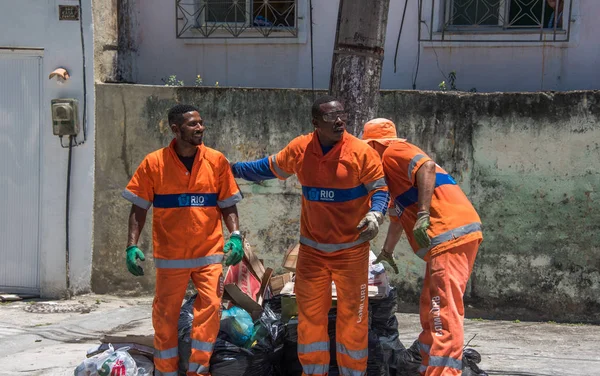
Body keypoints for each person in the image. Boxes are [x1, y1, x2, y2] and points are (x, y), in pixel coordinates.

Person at [230, 96, 389, 376]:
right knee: (310, 320)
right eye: (331, 117)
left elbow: (380, 190)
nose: (339, 121)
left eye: (342, 115)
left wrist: (376, 214)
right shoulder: (301, 149)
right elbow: (268, 168)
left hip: (351, 253)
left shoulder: (361, 152)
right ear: (316, 123)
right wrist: (231, 169)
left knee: (354, 320)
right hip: (313, 255)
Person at [122, 104, 244, 376]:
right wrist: (132, 245)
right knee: (165, 315)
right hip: (171, 256)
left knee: (210, 309)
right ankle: (166, 371)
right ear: (175, 129)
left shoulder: (216, 161)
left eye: (201, 123)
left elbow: (227, 203)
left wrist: (235, 235)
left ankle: (198, 371)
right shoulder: (154, 163)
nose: (200, 128)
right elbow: (138, 207)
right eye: (192, 124)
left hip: (209, 254)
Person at [361, 118, 483, 376]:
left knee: (442, 311)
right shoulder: (393, 176)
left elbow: (426, 166)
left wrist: (424, 214)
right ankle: (425, 366)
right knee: (430, 306)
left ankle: (444, 372)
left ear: (374, 144)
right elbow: (397, 218)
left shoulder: (393, 151)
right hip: (451, 236)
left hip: (448, 234)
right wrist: (387, 251)